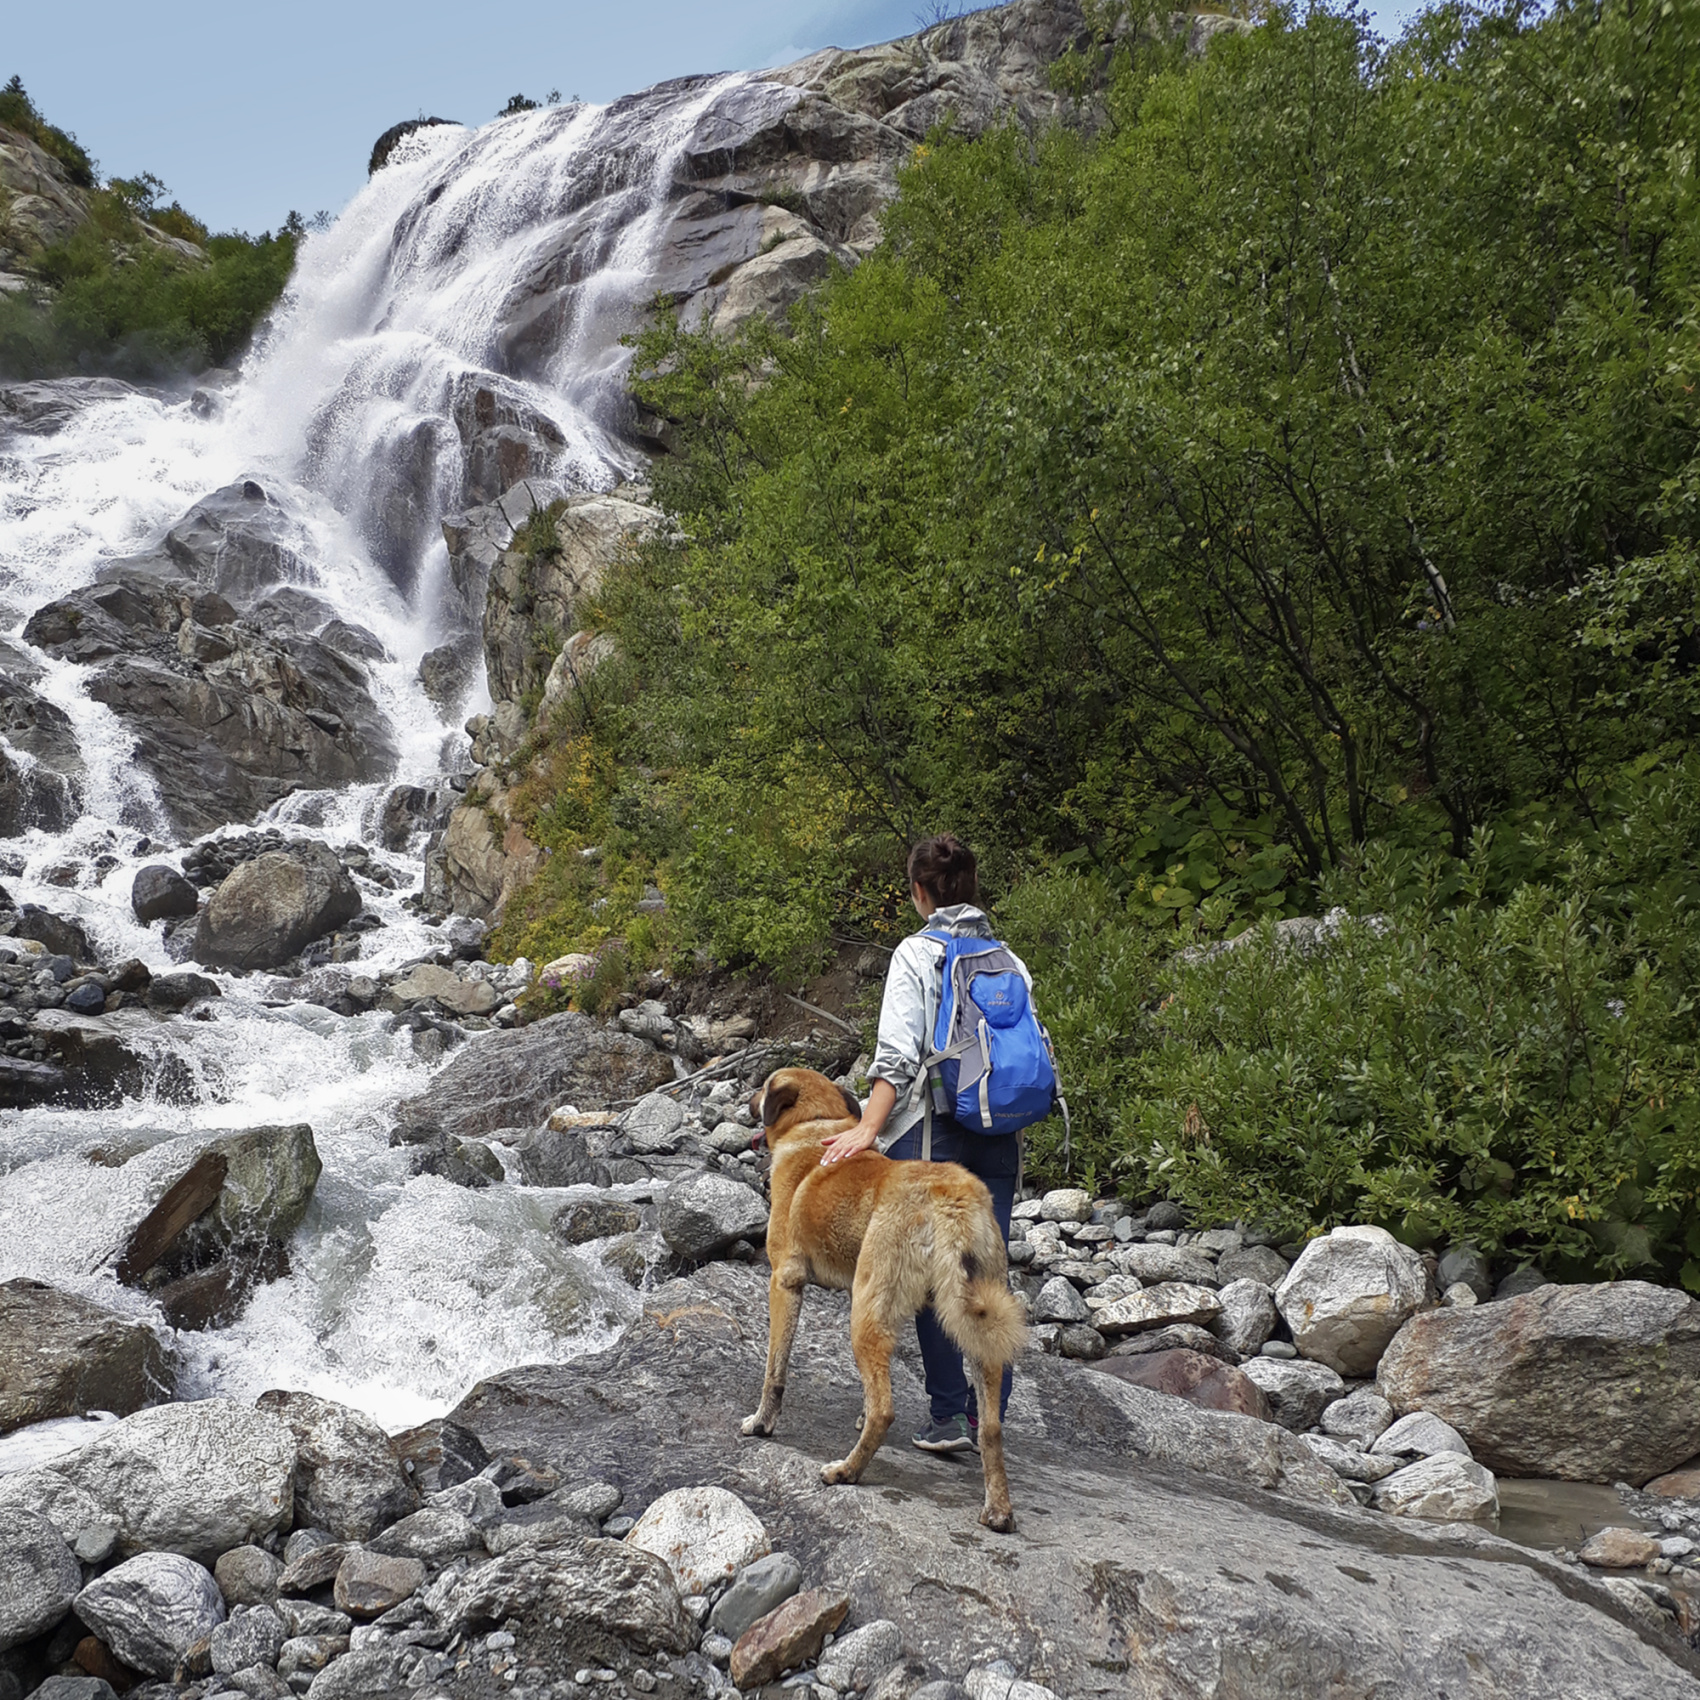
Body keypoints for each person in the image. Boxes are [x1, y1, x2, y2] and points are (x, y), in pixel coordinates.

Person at [820, 833, 1030, 1454]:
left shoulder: (916, 955)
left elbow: (896, 1057)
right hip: (999, 1131)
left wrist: (865, 1128)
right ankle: (985, 1419)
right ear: (969, 888)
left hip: (931, 1132)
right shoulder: (1008, 959)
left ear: (919, 892)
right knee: (986, 1276)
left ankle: (946, 1418)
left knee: (934, 1276)